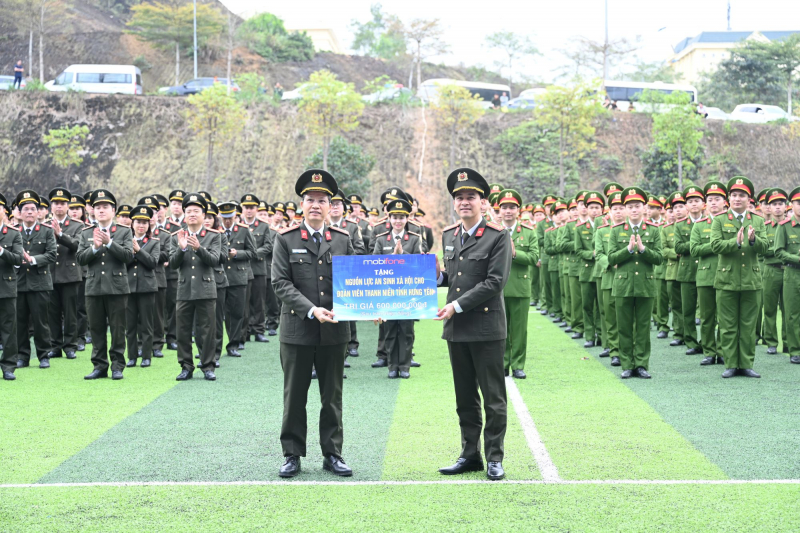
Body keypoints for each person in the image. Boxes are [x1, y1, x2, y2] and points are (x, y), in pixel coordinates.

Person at [271, 169, 356, 479]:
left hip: (334, 331)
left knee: (332, 396)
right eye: (310, 200)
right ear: (301, 205)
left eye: (322, 200)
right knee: (295, 395)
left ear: (330, 206)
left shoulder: (343, 240)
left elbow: (356, 283)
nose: (316, 205)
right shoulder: (286, 239)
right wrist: (311, 310)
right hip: (297, 330)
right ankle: (292, 454)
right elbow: (280, 283)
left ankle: (332, 453)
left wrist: (371, 306)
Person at [435, 167, 511, 481]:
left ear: (482, 202)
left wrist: (456, 304)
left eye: (471, 197)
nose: (465, 202)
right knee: (465, 397)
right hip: (457, 331)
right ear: (454, 203)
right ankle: (470, 454)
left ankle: (494, 457)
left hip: (485, 329)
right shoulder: (449, 235)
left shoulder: (497, 236)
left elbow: (495, 281)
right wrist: (429, 275)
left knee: (493, 397)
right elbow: (451, 279)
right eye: (460, 197)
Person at [711, 176, 768, 378]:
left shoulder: (758, 221)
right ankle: (730, 364)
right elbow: (715, 245)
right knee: (727, 325)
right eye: (734, 195)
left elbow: (766, 247)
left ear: (749, 199)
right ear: (729, 198)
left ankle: (745, 364)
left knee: (748, 325)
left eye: (742, 195)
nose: (737, 199)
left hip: (751, 281)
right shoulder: (719, 220)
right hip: (727, 281)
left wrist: (754, 240)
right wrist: (734, 243)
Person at [77, 189, 133, 380]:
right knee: (96, 328)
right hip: (94, 288)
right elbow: (80, 259)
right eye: (97, 207)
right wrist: (94, 247)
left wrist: (109, 243)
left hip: (117, 288)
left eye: (105, 207)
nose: (101, 211)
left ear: (113, 210)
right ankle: (99, 366)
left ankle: (117, 366)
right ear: (92, 211)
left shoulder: (124, 231)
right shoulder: (85, 233)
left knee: (118, 329)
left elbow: (128, 256)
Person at [607, 187, 663, 379]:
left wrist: (643, 249)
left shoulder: (654, 231)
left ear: (644, 207)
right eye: (630, 206)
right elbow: (611, 258)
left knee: (642, 327)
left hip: (645, 286)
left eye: (637, 206)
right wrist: (629, 250)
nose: (634, 210)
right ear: (624, 209)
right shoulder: (616, 231)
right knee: (624, 326)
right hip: (623, 286)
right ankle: (627, 365)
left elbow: (659, 258)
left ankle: (641, 364)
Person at [372, 198, 427, 378]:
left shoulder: (414, 238)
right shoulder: (381, 240)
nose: (398, 221)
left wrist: (403, 255)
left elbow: (420, 264)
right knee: (389, 331)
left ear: (407, 218)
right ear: (389, 218)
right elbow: (374, 265)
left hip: (407, 292)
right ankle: (392, 366)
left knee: (406, 331)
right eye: (394, 217)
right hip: (387, 292)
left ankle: (404, 367)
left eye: (401, 217)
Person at [169, 194, 222, 381]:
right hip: (184, 290)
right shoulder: (177, 236)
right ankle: (186, 366)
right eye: (189, 211)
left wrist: (199, 248)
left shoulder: (214, 236)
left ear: (203, 215)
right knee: (182, 330)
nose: (192, 215)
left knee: (207, 330)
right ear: (184, 215)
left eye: (196, 211)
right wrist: (181, 248)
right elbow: (173, 264)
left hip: (206, 290)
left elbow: (215, 260)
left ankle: (208, 366)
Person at [497, 189, 538, 378]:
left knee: (520, 330)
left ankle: (518, 364)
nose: (508, 211)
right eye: (504, 207)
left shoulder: (528, 233)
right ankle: (503, 363)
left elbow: (534, 257)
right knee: (501, 328)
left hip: (520, 288)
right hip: (498, 288)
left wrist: (514, 254)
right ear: (499, 210)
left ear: (518, 210)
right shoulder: (492, 231)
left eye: (512, 207)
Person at [15, 190, 56, 370]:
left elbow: (52, 255)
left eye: (33, 209)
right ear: (19, 213)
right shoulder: (13, 232)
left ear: (39, 212)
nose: (30, 212)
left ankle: (43, 355)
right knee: (20, 322)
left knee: (41, 322)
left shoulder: (46, 231)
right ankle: (22, 355)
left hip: (40, 283)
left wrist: (32, 260)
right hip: (18, 283)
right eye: (26, 209)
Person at [690, 181, 727, 366]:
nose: (713, 203)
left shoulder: (730, 223)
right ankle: (709, 352)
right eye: (710, 200)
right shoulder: (699, 225)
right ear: (706, 204)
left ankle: (721, 351)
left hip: (727, 275)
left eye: (717, 199)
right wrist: (717, 245)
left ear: (724, 202)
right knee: (706, 317)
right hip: (705, 276)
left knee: (724, 317)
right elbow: (694, 249)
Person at [47, 188, 84, 360]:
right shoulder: (45, 224)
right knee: (52, 313)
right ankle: (55, 345)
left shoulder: (78, 225)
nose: (59, 206)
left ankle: (70, 345)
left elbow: (77, 245)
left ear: (68, 206)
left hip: (69, 274)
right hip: (50, 273)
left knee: (70, 313)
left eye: (63, 203)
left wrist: (60, 234)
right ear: (51, 206)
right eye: (56, 203)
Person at [125, 205, 160, 369]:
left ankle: (146, 356)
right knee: (130, 325)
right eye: (139, 222)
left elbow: (153, 263)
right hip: (128, 287)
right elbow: (122, 262)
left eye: (145, 222)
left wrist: (138, 251)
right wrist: (132, 253)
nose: (142, 225)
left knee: (146, 325)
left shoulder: (154, 242)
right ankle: (131, 357)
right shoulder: (125, 241)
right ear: (132, 223)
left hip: (147, 287)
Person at [219, 201, 256, 358]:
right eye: (225, 218)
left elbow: (253, 253)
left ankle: (233, 344)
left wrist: (238, 254)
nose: (227, 221)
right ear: (220, 216)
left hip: (238, 277)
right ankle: (213, 347)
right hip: (220, 277)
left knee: (236, 313)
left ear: (235, 216)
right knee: (218, 314)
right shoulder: (216, 231)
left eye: (230, 217)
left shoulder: (244, 231)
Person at [195, 202, 227, 367]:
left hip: (217, 280)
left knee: (215, 320)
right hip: (199, 281)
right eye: (205, 217)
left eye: (210, 218)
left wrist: (203, 249)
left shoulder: (220, 235)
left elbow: (222, 257)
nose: (207, 220)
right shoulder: (194, 234)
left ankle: (215, 354)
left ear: (215, 219)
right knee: (199, 323)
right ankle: (202, 354)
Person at [595, 191, 626, 365]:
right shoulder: (602, 231)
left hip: (627, 279)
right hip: (609, 278)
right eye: (615, 208)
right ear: (609, 211)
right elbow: (598, 254)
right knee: (611, 318)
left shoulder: (632, 229)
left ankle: (628, 351)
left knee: (628, 318)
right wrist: (610, 262)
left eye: (622, 208)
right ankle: (614, 351)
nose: (619, 212)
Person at [674, 186, 705, 356]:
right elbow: (677, 247)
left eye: (697, 201)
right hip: (687, 272)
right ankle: (692, 342)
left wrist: (691, 247)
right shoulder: (680, 225)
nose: (694, 204)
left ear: (703, 204)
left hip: (706, 270)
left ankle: (706, 342)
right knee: (688, 310)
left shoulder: (710, 222)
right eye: (690, 202)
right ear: (686, 205)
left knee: (708, 312)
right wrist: (697, 245)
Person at [773, 186, 800, 365]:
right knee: (792, 314)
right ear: (791, 205)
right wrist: (797, 258)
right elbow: (778, 252)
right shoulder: (784, 227)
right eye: (798, 203)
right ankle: (795, 350)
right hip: (792, 273)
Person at [240, 194, 272, 344]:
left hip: (258, 268)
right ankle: (244, 332)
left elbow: (268, 246)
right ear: (242, 208)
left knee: (259, 301)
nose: (249, 210)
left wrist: (253, 253)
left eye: (252, 207)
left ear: (256, 209)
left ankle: (259, 330)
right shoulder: (239, 226)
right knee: (244, 302)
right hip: (242, 269)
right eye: (246, 207)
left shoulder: (264, 226)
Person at [762, 188, 789, 355]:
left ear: (786, 206)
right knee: (770, 308)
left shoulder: (791, 226)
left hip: (789, 271)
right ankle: (771, 342)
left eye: (780, 204)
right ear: (768, 208)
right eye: (774, 204)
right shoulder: (764, 227)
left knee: (789, 310)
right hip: (771, 270)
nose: (777, 207)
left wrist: (775, 250)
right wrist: (781, 250)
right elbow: (762, 250)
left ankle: (788, 342)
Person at [0, 194, 23, 380]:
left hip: (6, 287)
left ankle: (8, 367)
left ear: (4, 212)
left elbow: (17, 260)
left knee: (8, 329)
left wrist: (1, 250)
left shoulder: (13, 234)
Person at [163, 190, 187, 351]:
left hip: (174, 272)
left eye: (179, 203)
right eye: (174, 203)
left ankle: (171, 336)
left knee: (173, 304)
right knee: (159, 306)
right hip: (157, 271)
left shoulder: (186, 224)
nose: (176, 206)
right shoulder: (163, 224)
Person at [68, 195, 89, 352]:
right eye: (72, 209)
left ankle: (81, 336)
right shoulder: (62, 226)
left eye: (77, 209)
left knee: (81, 306)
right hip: (67, 272)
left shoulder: (85, 227)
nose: (74, 212)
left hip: (83, 271)